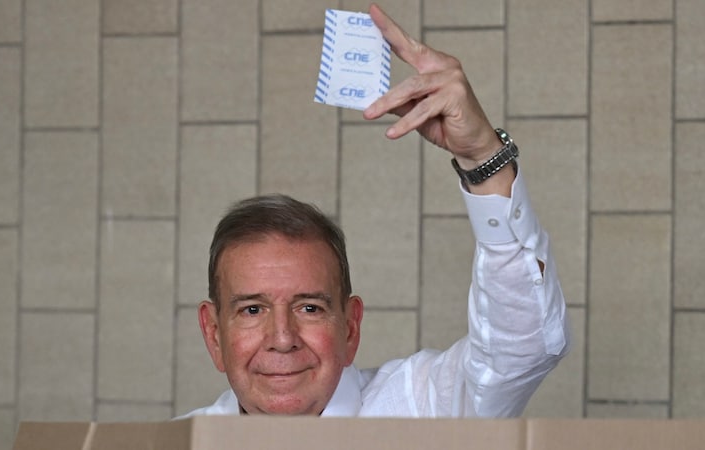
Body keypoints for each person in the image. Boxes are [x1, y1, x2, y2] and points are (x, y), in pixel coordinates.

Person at [176, 3, 569, 418]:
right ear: (214, 334)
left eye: (310, 307)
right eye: (252, 309)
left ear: (350, 326)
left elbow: (522, 348)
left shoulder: (423, 407)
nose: (283, 338)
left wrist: (482, 156)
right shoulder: (170, 444)